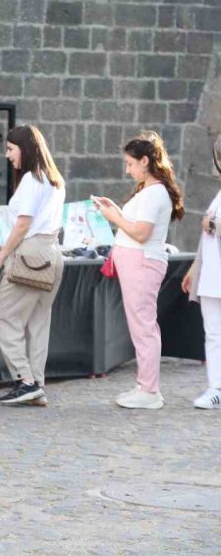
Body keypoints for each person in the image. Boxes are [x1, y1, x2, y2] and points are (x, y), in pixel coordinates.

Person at [94, 131, 184, 410]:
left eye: (131, 163)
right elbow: (137, 226)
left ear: (145, 161)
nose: (128, 169)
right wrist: (116, 211)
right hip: (138, 261)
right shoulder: (149, 192)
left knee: (143, 326)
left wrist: (114, 216)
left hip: (142, 262)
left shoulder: (154, 193)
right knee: (140, 324)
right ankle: (145, 385)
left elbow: (141, 233)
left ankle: (149, 390)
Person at [0, 125, 66, 407]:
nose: (7, 155)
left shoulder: (32, 179)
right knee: (38, 323)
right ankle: (36, 384)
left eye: (10, 149)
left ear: (25, 148)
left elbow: (22, 225)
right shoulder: (55, 180)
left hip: (31, 254)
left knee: (4, 319)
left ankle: (25, 380)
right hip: (53, 253)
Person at [181, 136, 221, 410]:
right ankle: (216, 387)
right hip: (212, 273)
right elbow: (205, 236)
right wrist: (195, 268)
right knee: (213, 333)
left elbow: (212, 226)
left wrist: (214, 223)